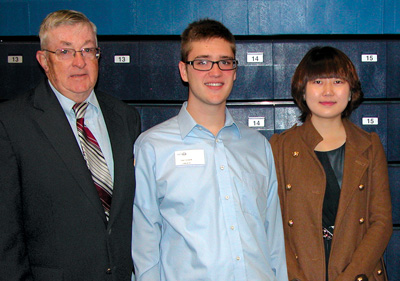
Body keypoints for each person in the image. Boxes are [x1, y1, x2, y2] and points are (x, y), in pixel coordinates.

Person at [131, 18, 288, 281]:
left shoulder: (258, 146)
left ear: (235, 71)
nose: (215, 72)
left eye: (225, 62)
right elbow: (145, 244)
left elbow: (273, 238)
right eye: (202, 62)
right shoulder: (153, 147)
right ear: (184, 70)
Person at [0, 10, 141, 281]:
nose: (79, 62)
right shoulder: (11, 123)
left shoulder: (125, 117)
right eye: (65, 52)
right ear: (44, 60)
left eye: (88, 50)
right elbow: (5, 232)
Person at [270, 46, 392, 281]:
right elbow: (272, 224)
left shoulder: (370, 146)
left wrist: (350, 276)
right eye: (317, 82)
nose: (328, 91)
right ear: (302, 91)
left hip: (358, 274)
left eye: (337, 81)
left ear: (350, 91)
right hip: (299, 273)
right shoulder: (280, 148)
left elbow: (382, 222)